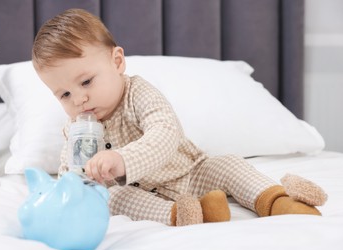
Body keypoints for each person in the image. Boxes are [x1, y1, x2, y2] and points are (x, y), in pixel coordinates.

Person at [32, 8, 325, 226]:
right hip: (140, 193)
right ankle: (185, 216)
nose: (79, 100)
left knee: (229, 165)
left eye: (86, 82)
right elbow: (71, 172)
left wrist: (121, 160)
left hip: (189, 173)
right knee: (116, 199)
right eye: (64, 95)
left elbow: (165, 134)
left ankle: (274, 199)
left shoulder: (138, 93)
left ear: (117, 62)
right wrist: (69, 191)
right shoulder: (76, 130)